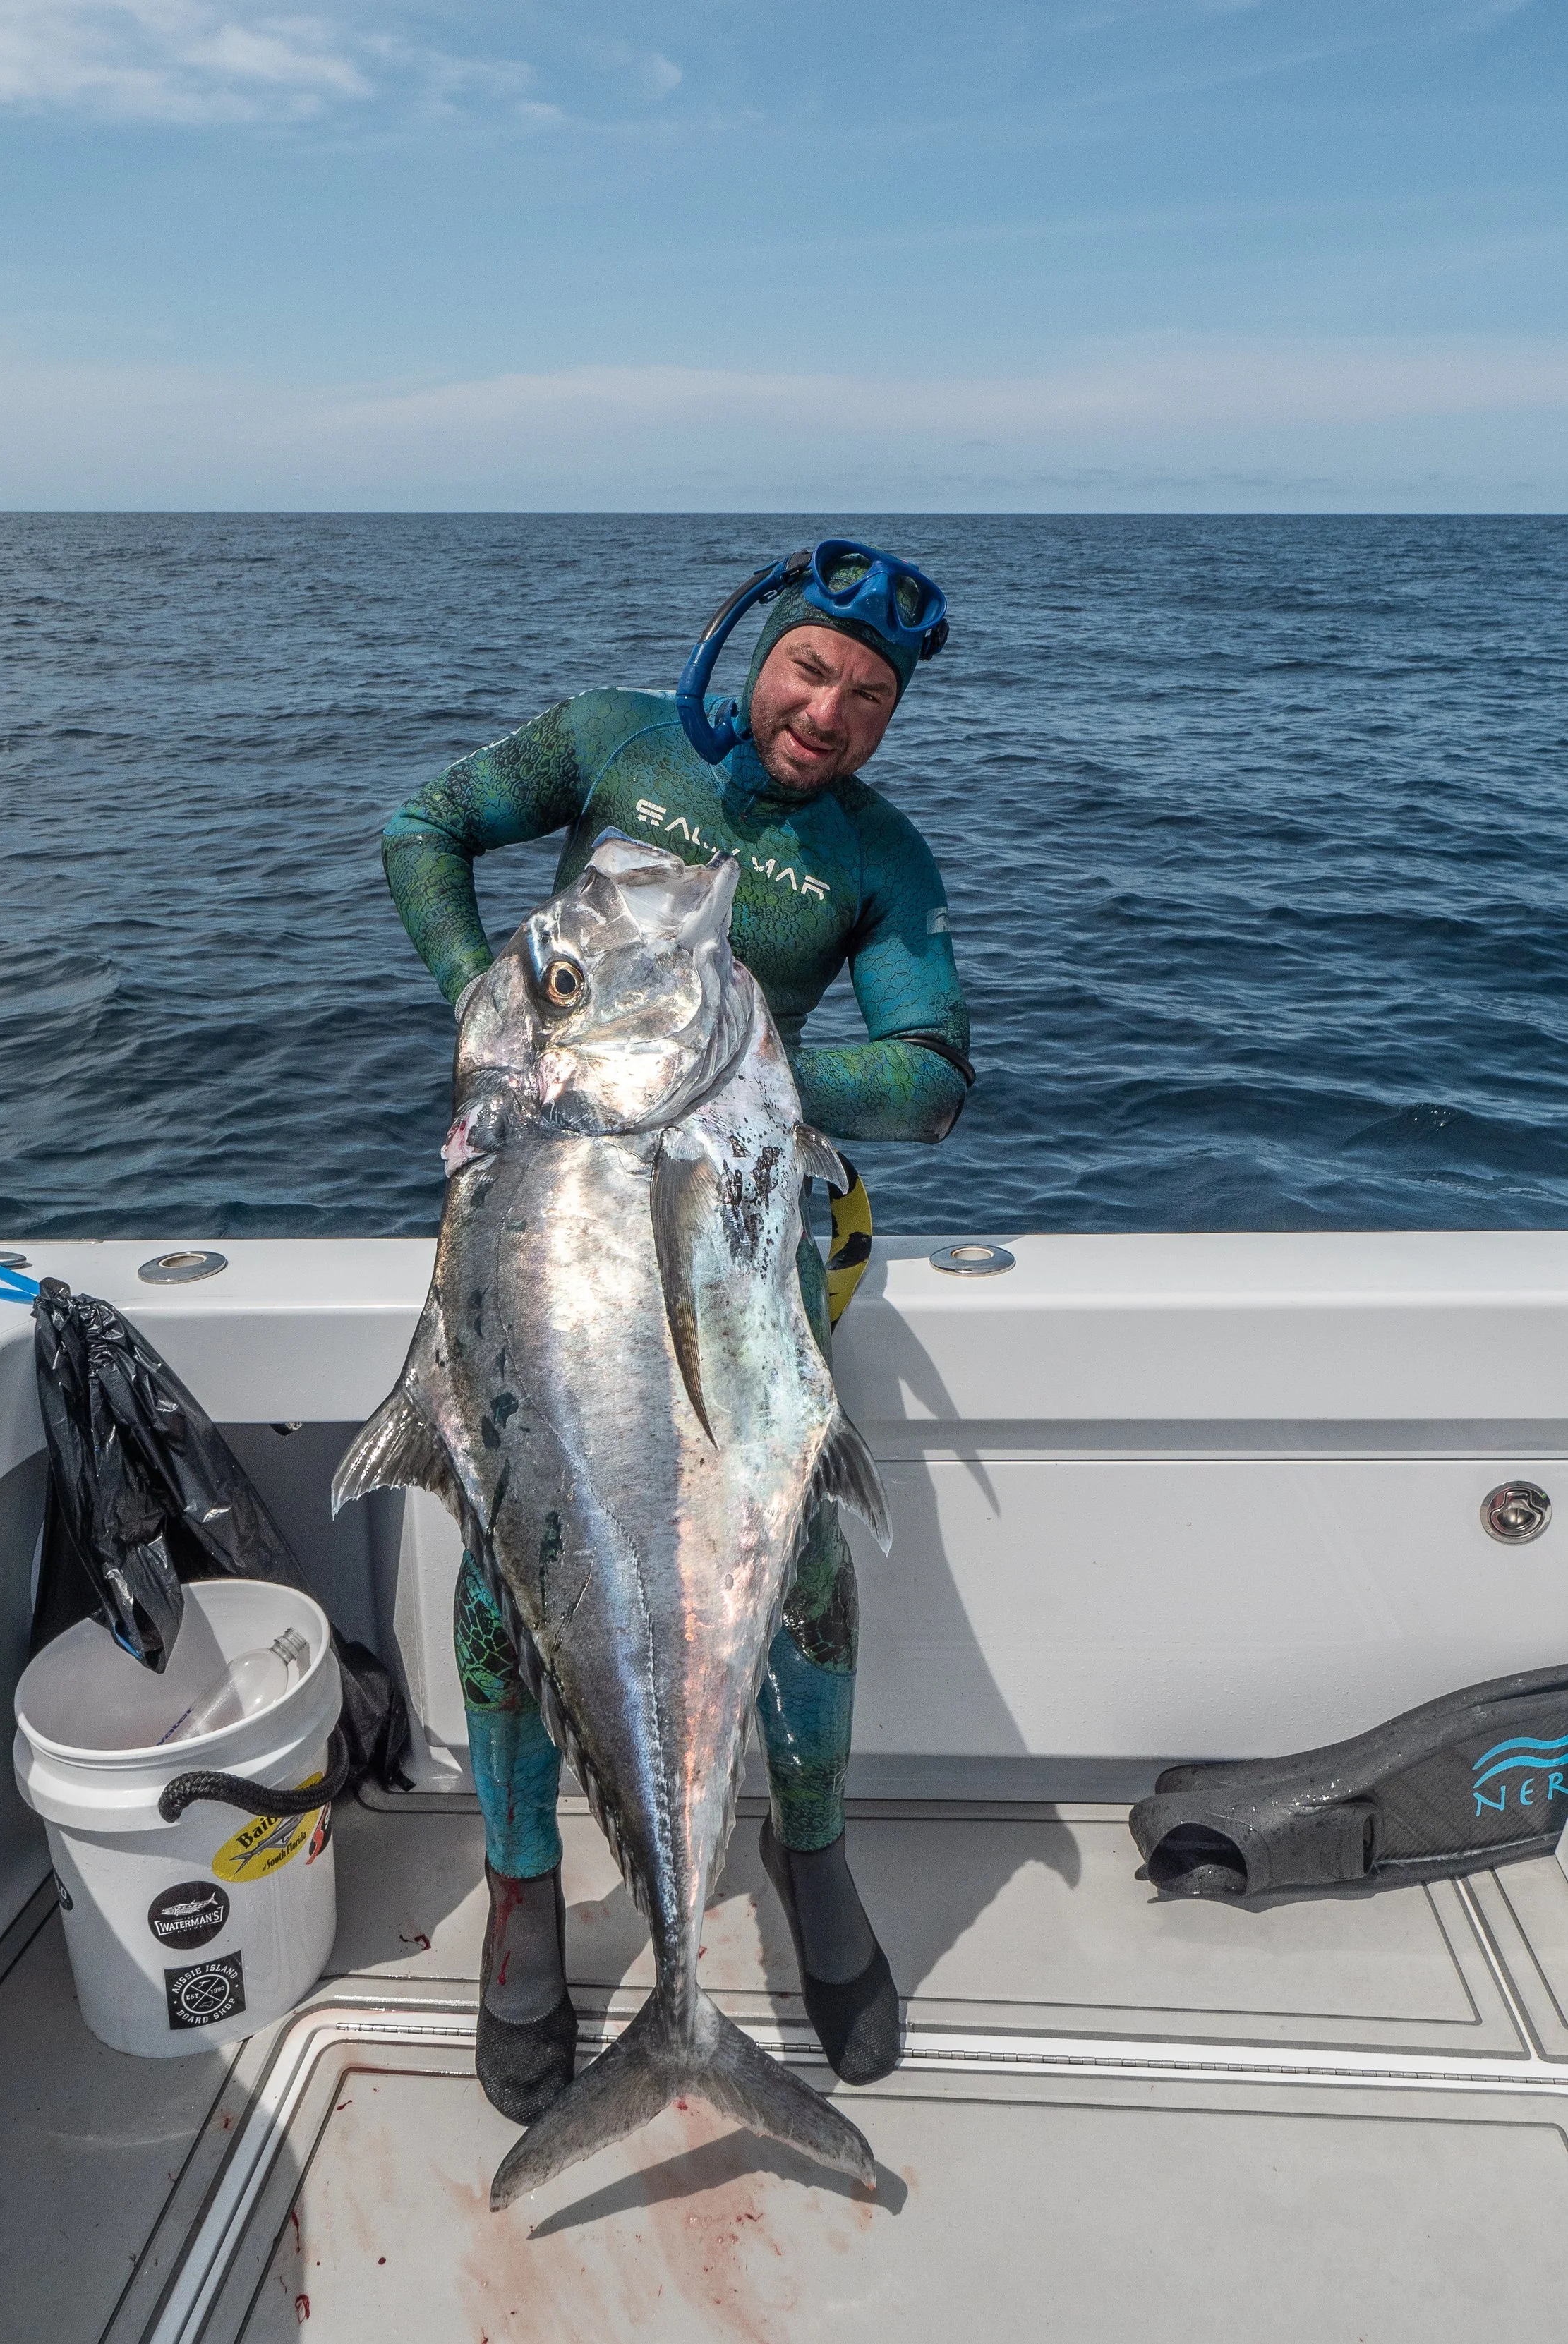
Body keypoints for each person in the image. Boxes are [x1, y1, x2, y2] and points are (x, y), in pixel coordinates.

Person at [381, 539, 973, 2124]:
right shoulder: (610, 740)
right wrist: (478, 1002)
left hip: (732, 1260)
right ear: (754, 649)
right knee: (512, 1563)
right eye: (810, 668)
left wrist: (752, 1067)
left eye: (867, 695)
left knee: (805, 1574)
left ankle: (809, 1847)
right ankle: (521, 1891)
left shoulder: (875, 857)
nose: (827, 710)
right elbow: (422, 824)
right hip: (548, 1228)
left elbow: (926, 1076)